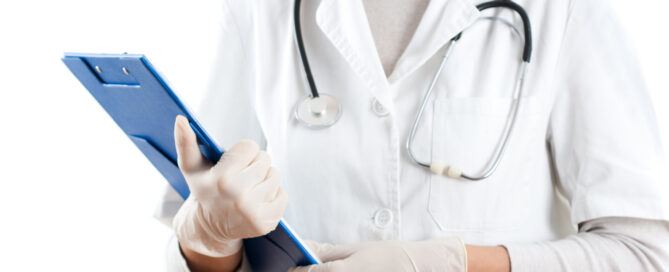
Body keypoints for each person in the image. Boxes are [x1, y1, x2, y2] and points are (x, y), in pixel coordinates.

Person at [155, 0, 669, 271]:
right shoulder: (257, 10)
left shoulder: (564, 9)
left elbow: (646, 255)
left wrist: (455, 265)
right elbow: (203, 245)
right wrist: (207, 239)